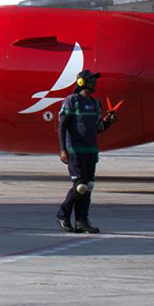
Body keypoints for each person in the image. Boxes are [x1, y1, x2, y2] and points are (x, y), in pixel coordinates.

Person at [56, 69, 117, 234]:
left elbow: (99, 128)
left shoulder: (96, 104)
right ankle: (63, 213)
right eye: (91, 80)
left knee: (88, 186)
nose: (94, 83)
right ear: (81, 82)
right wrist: (63, 149)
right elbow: (62, 126)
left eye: (94, 80)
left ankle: (81, 221)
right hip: (75, 150)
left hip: (91, 150)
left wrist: (109, 121)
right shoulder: (72, 101)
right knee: (80, 185)